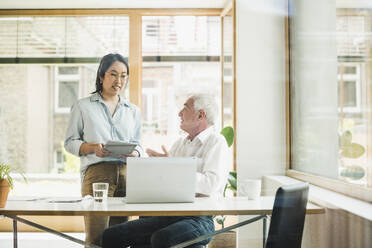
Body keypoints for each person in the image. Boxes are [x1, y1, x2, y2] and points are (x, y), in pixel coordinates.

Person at [102, 94, 230, 248]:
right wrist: (155, 168)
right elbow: (166, 182)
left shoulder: (217, 142)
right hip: (168, 215)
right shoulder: (179, 144)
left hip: (199, 218)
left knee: (162, 238)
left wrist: (173, 167)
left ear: (200, 115)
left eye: (185, 108)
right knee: (111, 235)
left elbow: (210, 185)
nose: (179, 113)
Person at [64, 53, 142, 246]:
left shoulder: (133, 111)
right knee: (96, 237)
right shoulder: (83, 106)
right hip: (97, 175)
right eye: (113, 74)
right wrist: (91, 147)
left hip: (126, 175)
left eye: (124, 75)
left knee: (120, 237)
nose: (119, 80)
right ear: (101, 76)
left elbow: (139, 144)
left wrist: (135, 152)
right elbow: (69, 142)